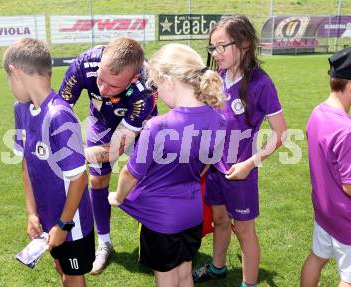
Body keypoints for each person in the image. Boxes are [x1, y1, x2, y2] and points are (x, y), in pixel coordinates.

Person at [108, 43, 227, 287]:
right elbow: (205, 166)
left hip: (160, 220)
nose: (157, 92)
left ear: (168, 81)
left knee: (166, 279)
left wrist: (118, 197)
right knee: (185, 274)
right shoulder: (218, 120)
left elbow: (131, 174)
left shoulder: (158, 127)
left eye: (157, 85)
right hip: (192, 214)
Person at [192, 15, 287, 287]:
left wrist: (251, 163)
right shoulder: (217, 77)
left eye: (222, 46)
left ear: (244, 44)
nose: (216, 53)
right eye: (213, 47)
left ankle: (249, 283)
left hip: (241, 173)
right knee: (220, 219)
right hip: (214, 169)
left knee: (244, 230)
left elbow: (281, 134)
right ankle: (218, 268)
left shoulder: (260, 83)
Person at [58, 36, 158, 274]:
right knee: (98, 180)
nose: (103, 90)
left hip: (141, 126)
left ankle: (154, 237)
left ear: (133, 78)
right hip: (101, 122)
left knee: (148, 181)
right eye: (101, 79)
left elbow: (114, 150)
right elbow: (60, 110)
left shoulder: (146, 91)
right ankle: (104, 242)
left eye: (113, 86)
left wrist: (76, 155)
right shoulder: (85, 64)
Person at [4, 38, 95, 287]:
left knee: (73, 277)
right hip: (48, 219)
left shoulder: (59, 116)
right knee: (60, 268)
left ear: (15, 71)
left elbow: (78, 178)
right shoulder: (21, 109)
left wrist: (63, 225)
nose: (10, 86)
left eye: (8, 79)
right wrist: (32, 213)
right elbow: (26, 164)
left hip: (72, 224)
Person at [301, 45, 351, 287]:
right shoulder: (349, 130)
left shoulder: (317, 113)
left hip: (324, 212)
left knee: (317, 257)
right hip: (348, 218)